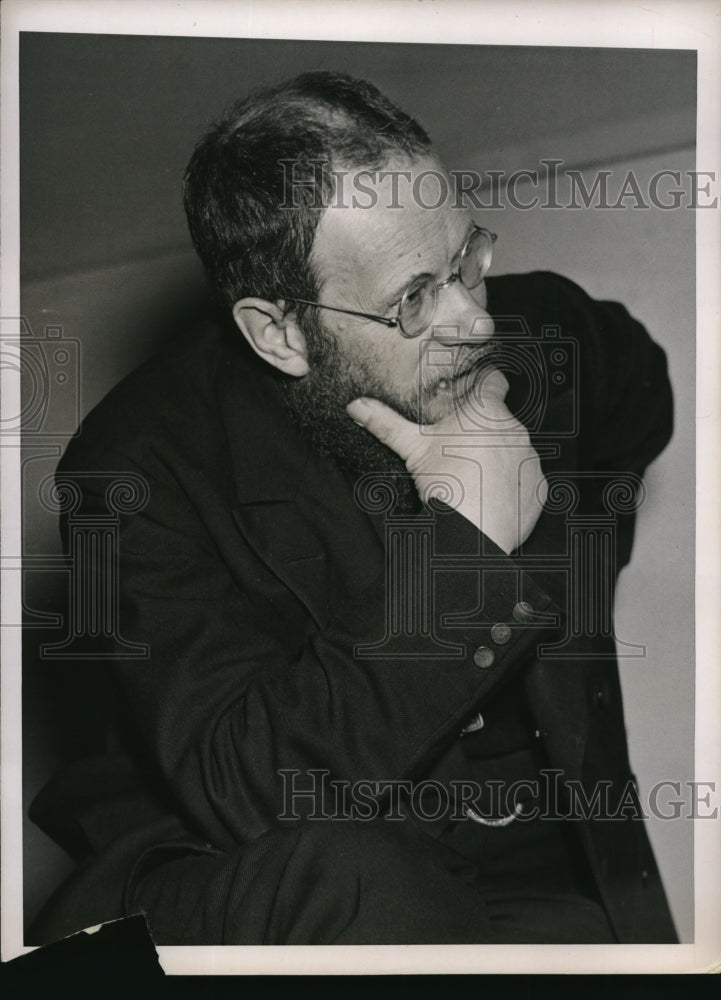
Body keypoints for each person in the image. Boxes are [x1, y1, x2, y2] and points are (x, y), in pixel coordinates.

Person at [29, 71, 677, 945]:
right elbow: (247, 784)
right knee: (369, 880)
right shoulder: (135, 471)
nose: (473, 322)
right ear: (281, 333)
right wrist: (473, 549)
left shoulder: (537, 338)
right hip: (301, 882)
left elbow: (640, 392)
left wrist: (563, 547)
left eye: (464, 261)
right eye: (414, 298)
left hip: (543, 867)